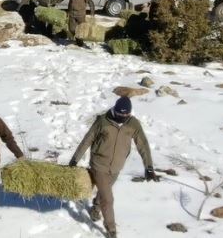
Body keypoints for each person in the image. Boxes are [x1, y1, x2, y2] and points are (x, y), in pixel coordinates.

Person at [68, 97, 159, 238]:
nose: (122, 117)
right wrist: (74, 159)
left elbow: (143, 145)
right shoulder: (103, 121)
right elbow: (87, 140)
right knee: (108, 199)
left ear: (129, 113)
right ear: (115, 110)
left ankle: (95, 209)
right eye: (119, 114)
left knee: (105, 192)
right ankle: (111, 230)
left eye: (125, 115)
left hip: (117, 167)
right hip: (99, 165)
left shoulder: (133, 124)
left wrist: (149, 167)